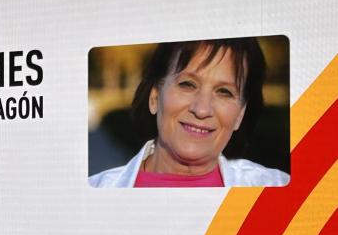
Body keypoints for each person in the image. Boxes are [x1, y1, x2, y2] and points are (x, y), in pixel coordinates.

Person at [89, 38, 289, 188]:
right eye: (187, 85)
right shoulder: (97, 189)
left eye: (224, 92)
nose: (202, 110)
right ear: (154, 97)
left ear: (240, 115)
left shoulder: (275, 187)